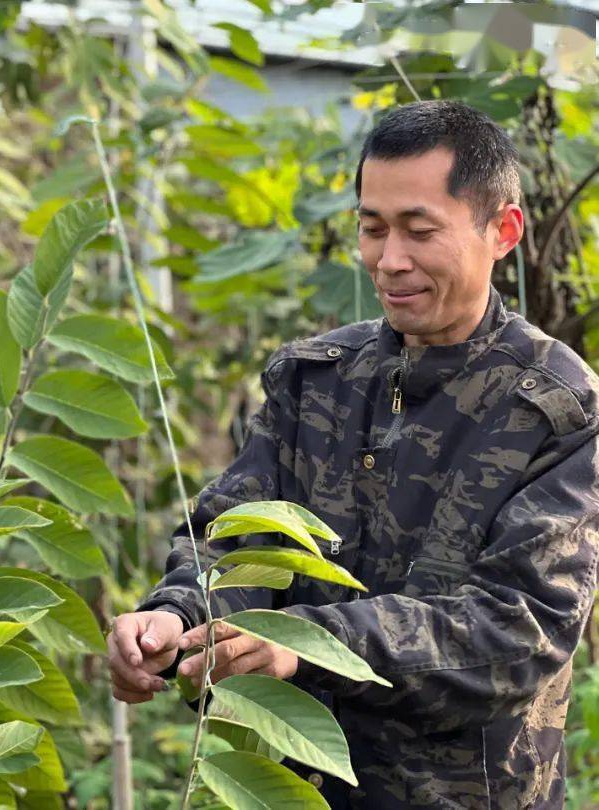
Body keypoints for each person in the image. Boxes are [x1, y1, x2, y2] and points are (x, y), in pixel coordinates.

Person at [107, 99, 599, 809]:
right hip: (296, 789)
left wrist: (308, 644)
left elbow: (518, 629)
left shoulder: (557, 409)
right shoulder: (314, 379)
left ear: (503, 230)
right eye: (373, 229)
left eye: (419, 231)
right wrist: (177, 616)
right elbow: (239, 538)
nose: (390, 260)